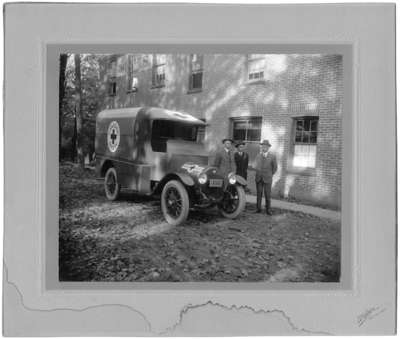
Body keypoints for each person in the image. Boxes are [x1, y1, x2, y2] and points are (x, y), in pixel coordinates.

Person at [251, 139, 277, 215]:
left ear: (268, 147)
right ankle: (258, 209)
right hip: (259, 178)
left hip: (267, 179)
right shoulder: (258, 156)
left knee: (267, 195)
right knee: (259, 194)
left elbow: (275, 168)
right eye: (263, 146)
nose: (264, 147)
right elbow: (254, 165)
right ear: (261, 147)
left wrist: (269, 174)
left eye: (266, 146)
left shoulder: (272, 156)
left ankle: (268, 210)